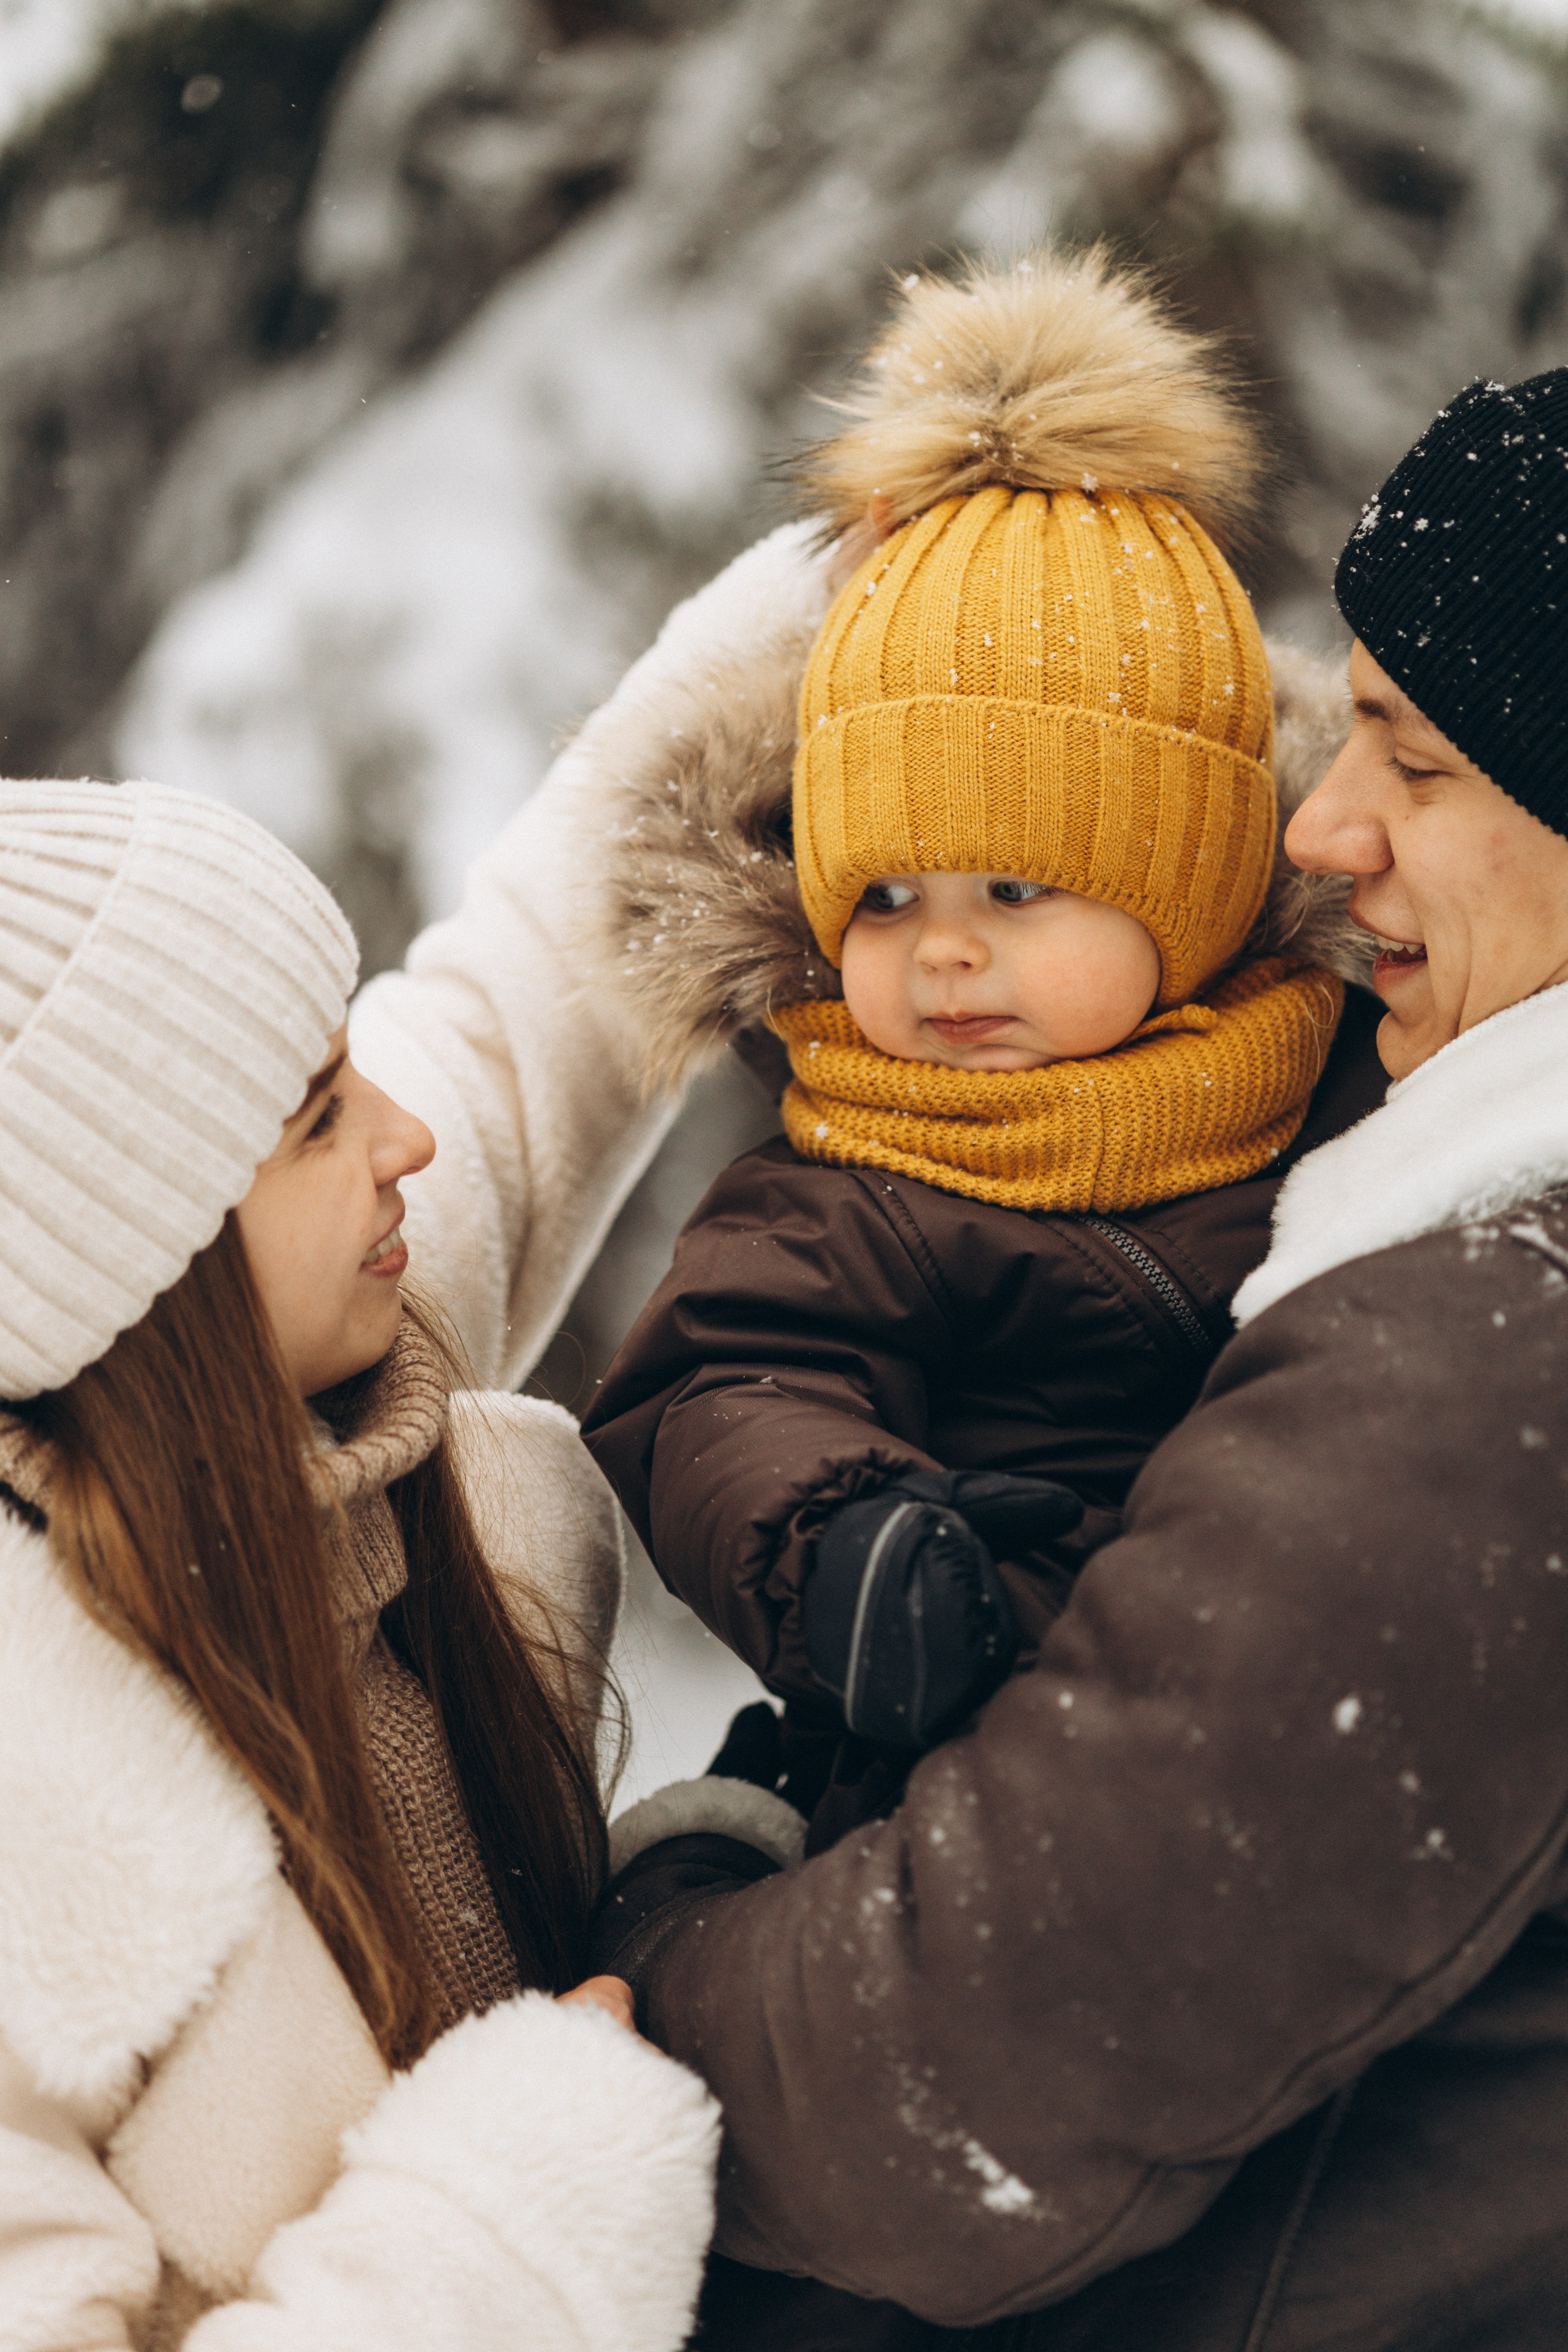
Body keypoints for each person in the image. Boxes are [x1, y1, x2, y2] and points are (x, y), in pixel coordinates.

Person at [586, 368, 1568, 2350]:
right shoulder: (1364, 1139)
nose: (1326, 826)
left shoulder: (1493, 1345)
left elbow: (953, 2077)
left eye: (1420, 758)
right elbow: (724, 1379)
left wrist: (636, 1966)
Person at [582, 252, 1381, 1849]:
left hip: (1308, 1744)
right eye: (883, 897)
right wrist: (849, 1544)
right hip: (958, 1754)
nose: (941, 950)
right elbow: (719, 1389)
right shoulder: (848, 1183)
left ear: (1201, 888)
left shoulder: (1351, 1081)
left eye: (1017, 891)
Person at [0, 780, 740, 2350]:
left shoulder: (317, 1416)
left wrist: (846, 584)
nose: (405, 1134)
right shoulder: (32, 1810)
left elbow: (530, 1012)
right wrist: (515, 2215)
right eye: (322, 1115)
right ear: (146, 1267)